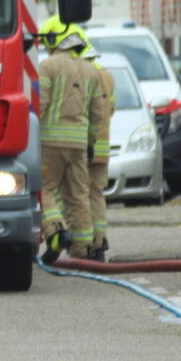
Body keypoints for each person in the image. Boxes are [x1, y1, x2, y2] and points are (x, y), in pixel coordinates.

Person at [37, 15, 105, 262]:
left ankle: (56, 231)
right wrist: (90, 142)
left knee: (45, 187)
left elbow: (40, 104)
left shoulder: (47, 66)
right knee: (79, 196)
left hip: (50, 142)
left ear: (55, 39)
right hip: (79, 144)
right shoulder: (91, 70)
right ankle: (83, 250)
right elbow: (98, 114)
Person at [76, 44, 115, 261]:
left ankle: (83, 242)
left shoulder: (81, 77)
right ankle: (100, 240)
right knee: (97, 195)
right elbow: (111, 108)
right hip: (102, 146)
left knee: (79, 195)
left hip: (83, 145)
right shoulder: (108, 77)